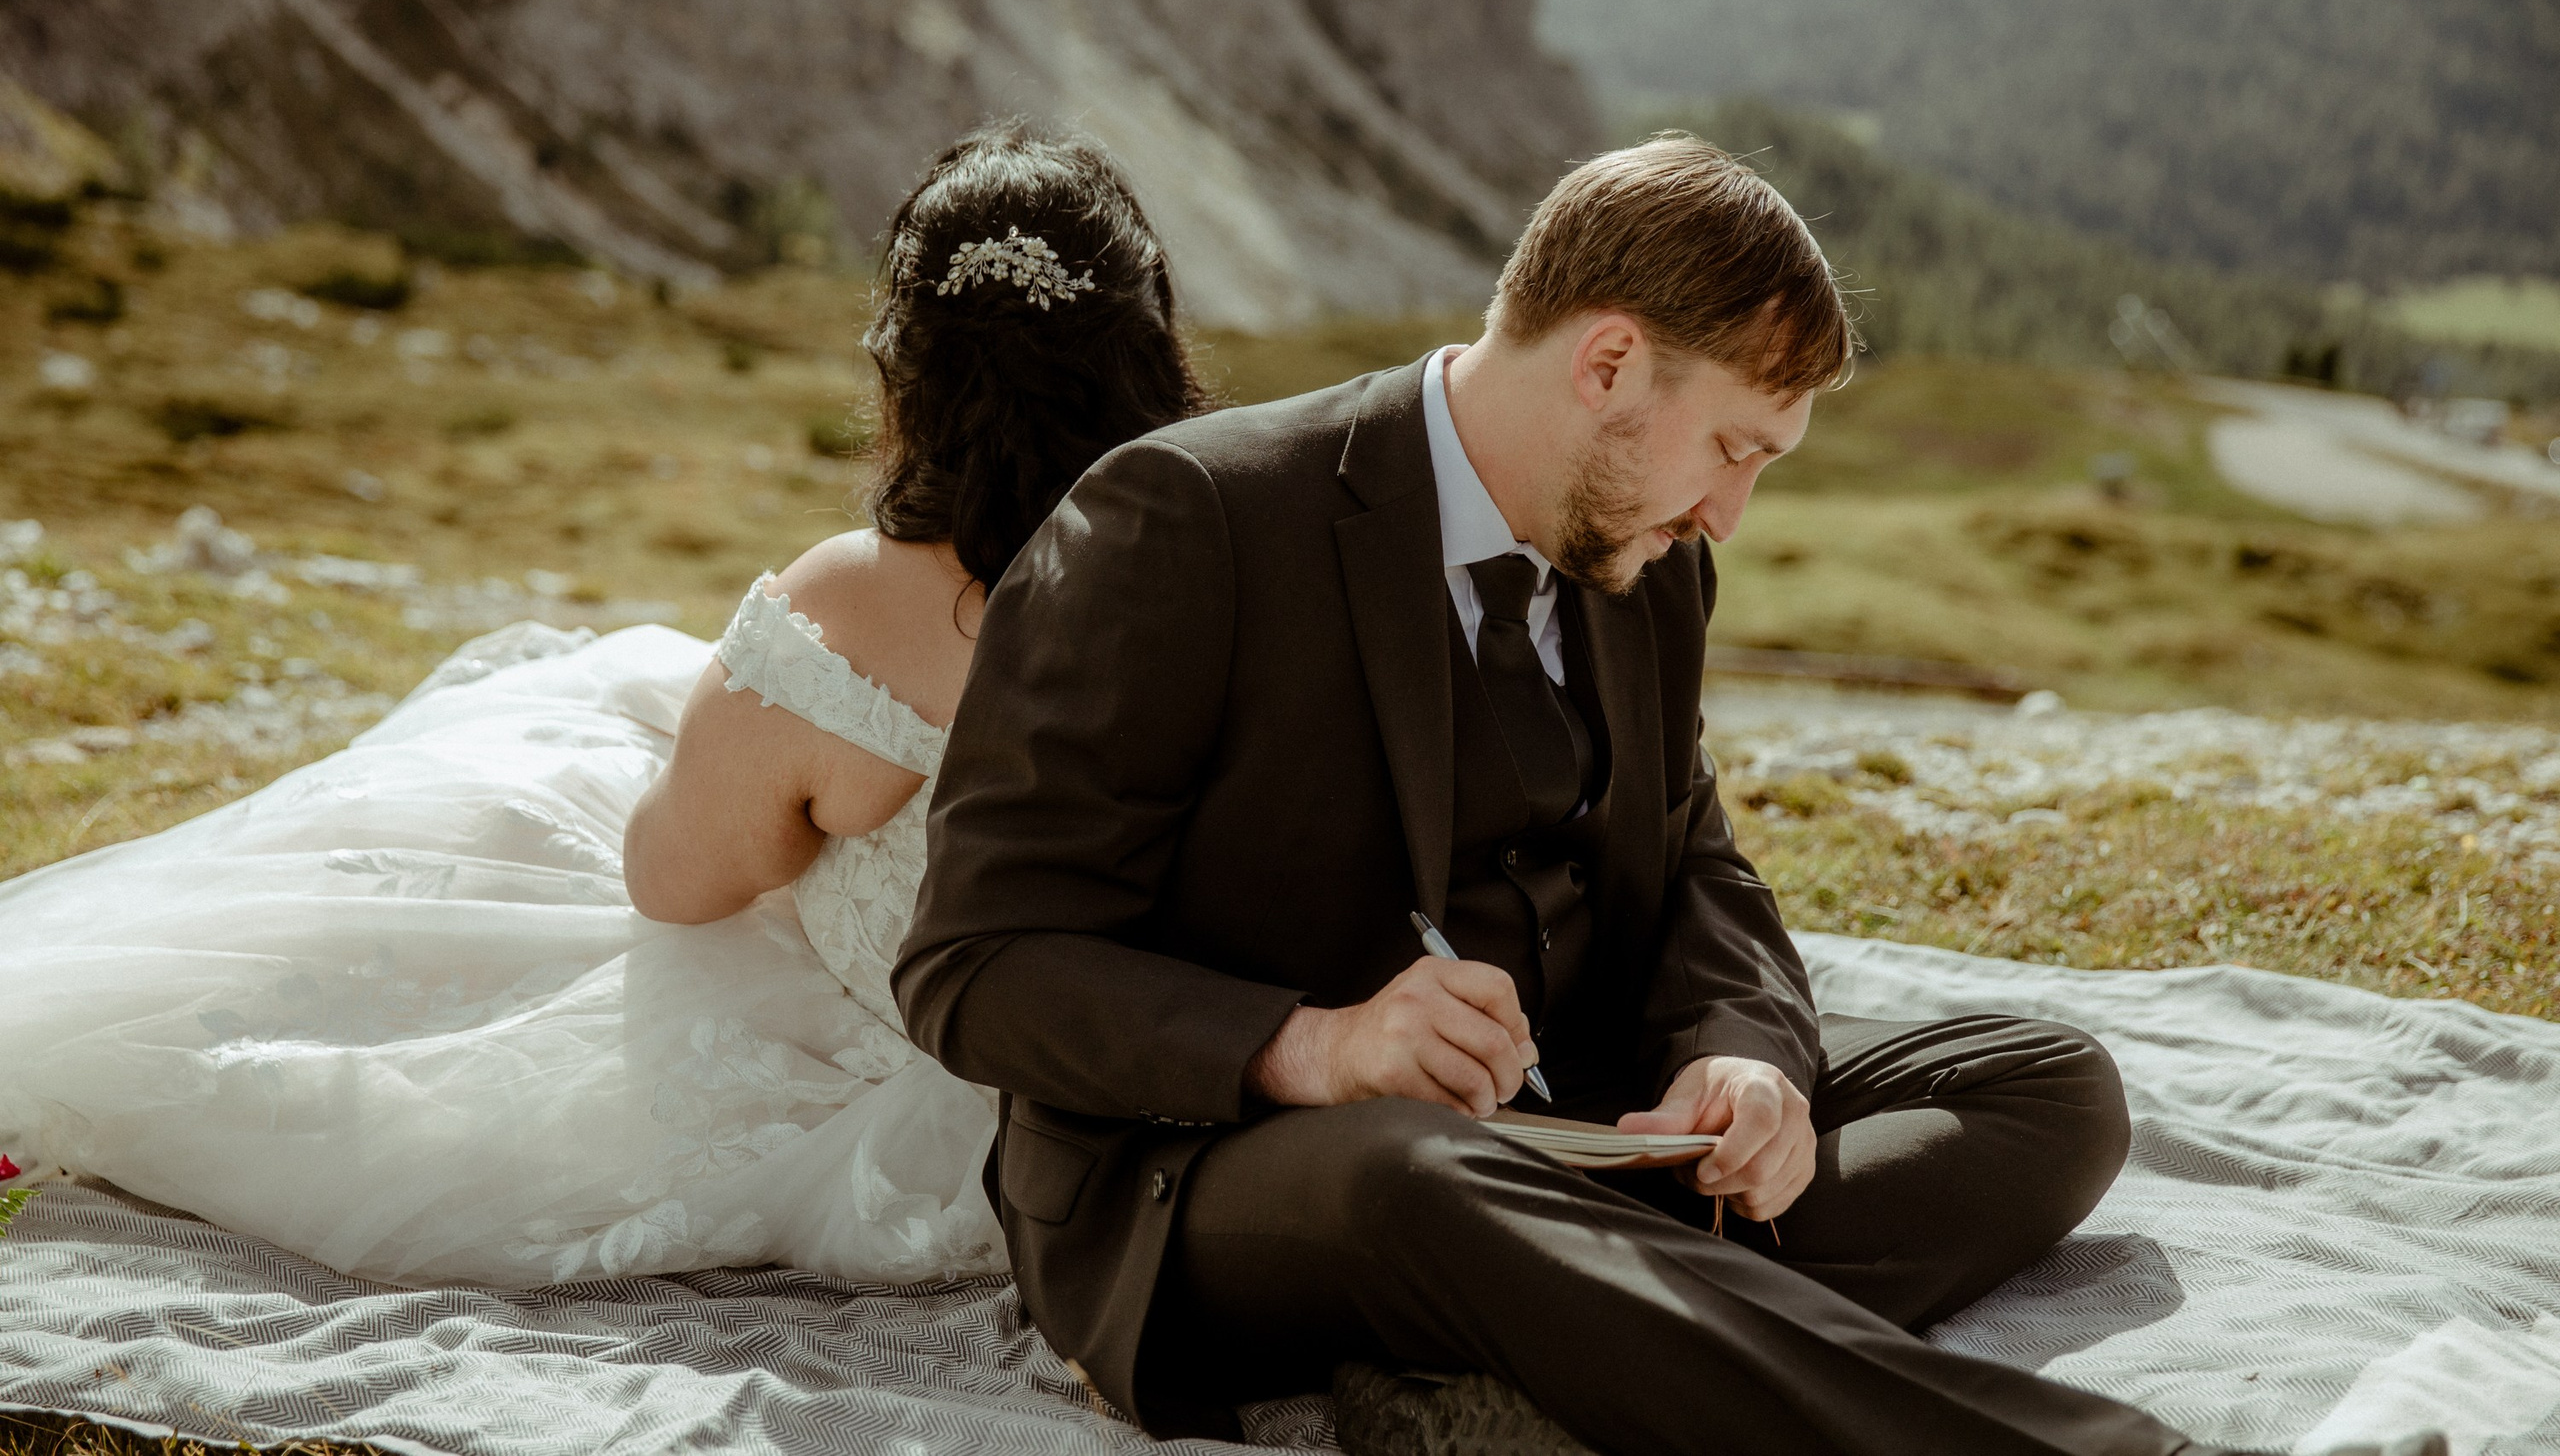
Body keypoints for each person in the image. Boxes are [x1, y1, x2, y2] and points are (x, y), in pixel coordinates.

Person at [893, 135, 2443, 1456]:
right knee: (1421, 1175)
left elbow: (1700, 858)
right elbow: (972, 962)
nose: (1733, 512)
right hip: (1243, 1175)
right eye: (1734, 447)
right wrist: (1317, 1042)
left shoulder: (1652, 552)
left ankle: (1540, 1353)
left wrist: (1744, 1052)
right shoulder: (1186, 517)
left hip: (1579, 1126)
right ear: (1611, 363)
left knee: (2048, 1084)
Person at [0, 124, 1212, 1290]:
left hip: (926, 1124)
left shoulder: (851, 610)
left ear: (911, 373)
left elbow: (672, 881)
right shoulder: (1233, 577)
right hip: (1182, 1094)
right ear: (1146, 351)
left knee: (522, 806)